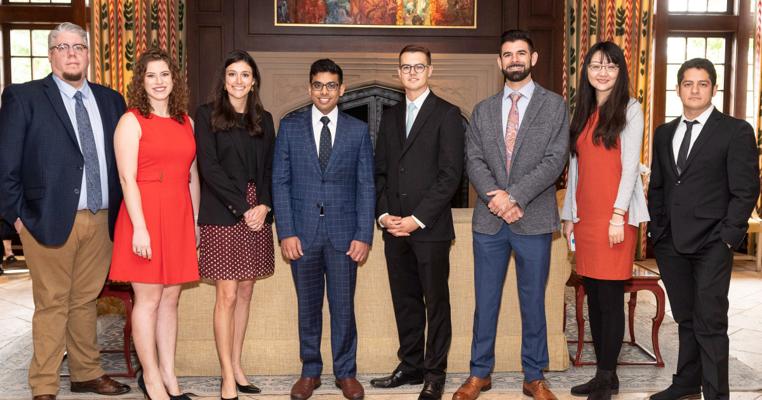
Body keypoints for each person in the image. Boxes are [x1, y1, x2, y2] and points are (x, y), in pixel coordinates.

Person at [0, 22, 131, 400]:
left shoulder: (111, 100)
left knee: (85, 300)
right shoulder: (24, 97)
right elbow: (5, 164)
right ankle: (43, 384)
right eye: (63, 47)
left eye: (79, 47)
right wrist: (18, 217)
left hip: (102, 218)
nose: (72, 53)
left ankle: (86, 373)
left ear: (89, 53)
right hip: (46, 219)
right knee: (52, 303)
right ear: (51, 54)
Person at [454, 29, 569, 400]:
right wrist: (498, 199)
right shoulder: (483, 110)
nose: (514, 59)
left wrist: (514, 196)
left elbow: (555, 159)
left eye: (521, 53)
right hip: (490, 222)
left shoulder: (554, 105)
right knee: (485, 302)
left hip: (533, 218)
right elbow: (473, 158)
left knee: (533, 302)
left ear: (533, 58)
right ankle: (479, 374)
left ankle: (534, 376)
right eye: (507, 54)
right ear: (499, 61)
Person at [647, 58, 759, 400]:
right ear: (678, 88)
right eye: (688, 83)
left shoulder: (735, 131)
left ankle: (715, 395)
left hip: (713, 242)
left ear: (714, 88)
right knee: (685, 317)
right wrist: (657, 231)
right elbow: (659, 186)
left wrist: (728, 237)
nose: (694, 90)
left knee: (710, 321)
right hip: (671, 242)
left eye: (702, 83)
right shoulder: (664, 133)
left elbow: (746, 190)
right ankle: (686, 383)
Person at [272, 59, 374, 400]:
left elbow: (366, 185)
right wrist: (286, 231)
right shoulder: (290, 127)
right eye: (318, 85)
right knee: (308, 307)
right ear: (309, 88)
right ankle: (310, 371)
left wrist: (363, 234)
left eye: (331, 85)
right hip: (302, 234)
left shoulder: (358, 130)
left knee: (343, 308)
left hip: (345, 235)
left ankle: (346, 372)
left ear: (341, 89)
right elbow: (280, 181)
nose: (324, 91)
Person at [371, 44, 464, 400]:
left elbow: (450, 175)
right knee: (405, 300)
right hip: (394, 228)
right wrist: (384, 215)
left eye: (418, 67)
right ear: (398, 72)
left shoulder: (447, 113)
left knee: (436, 302)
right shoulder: (391, 116)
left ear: (430, 70)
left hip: (430, 228)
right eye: (406, 67)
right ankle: (410, 365)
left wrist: (417, 219)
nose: (412, 72)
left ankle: (434, 374)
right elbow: (380, 170)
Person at [108, 48, 200, 400]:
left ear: (174, 79)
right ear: (141, 82)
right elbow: (126, 179)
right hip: (142, 216)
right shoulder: (131, 121)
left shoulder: (186, 121)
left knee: (171, 299)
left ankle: (169, 376)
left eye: (164, 74)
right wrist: (140, 227)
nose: (159, 81)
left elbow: (192, 176)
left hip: (178, 215)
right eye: (151, 75)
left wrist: (194, 221)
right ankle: (151, 380)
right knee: (148, 300)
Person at [560, 41, 649, 400]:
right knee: (593, 298)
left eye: (610, 66)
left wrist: (617, 215)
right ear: (586, 71)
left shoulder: (631, 109)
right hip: (586, 217)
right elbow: (575, 170)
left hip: (614, 218)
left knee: (610, 298)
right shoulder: (582, 111)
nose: (603, 72)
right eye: (596, 65)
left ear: (620, 71)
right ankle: (604, 375)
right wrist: (569, 215)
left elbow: (629, 168)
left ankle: (607, 377)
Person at [195, 49, 275, 400]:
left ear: (254, 81)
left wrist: (265, 206)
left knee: (246, 291)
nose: (238, 81)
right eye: (232, 74)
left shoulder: (264, 119)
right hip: (223, 213)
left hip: (258, 214)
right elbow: (209, 168)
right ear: (224, 80)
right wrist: (244, 208)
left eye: (245, 74)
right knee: (226, 295)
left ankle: (237, 365)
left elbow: (271, 168)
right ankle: (226, 376)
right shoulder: (206, 115)